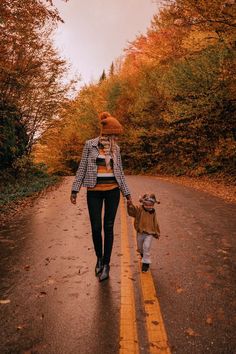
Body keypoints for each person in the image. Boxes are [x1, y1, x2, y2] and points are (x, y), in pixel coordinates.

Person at [70, 112, 132, 281]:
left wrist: (127, 194)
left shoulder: (116, 149)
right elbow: (82, 168)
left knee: (109, 227)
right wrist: (75, 189)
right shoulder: (90, 145)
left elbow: (120, 172)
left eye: (116, 136)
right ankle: (98, 258)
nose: (115, 138)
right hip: (94, 192)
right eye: (113, 135)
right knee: (96, 227)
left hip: (113, 191)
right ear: (106, 132)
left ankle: (106, 264)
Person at [127, 193, 160, 272]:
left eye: (151, 205)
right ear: (143, 203)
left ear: (153, 204)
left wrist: (156, 232)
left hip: (149, 233)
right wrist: (130, 205)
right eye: (147, 205)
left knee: (146, 246)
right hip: (140, 232)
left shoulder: (153, 212)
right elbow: (133, 211)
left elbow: (155, 222)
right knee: (140, 247)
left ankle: (146, 263)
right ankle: (143, 254)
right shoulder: (139, 209)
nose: (149, 207)